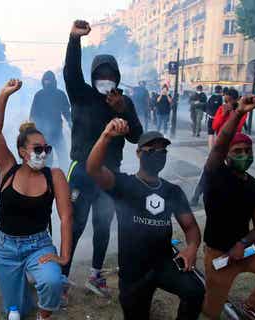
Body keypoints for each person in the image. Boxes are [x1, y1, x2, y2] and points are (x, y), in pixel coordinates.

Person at [87, 120, 205, 320]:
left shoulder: (172, 191)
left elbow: (191, 227)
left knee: (195, 291)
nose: (158, 156)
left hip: (164, 262)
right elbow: (93, 169)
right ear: (139, 153)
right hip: (133, 269)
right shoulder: (123, 184)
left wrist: (191, 248)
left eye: (163, 152)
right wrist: (106, 136)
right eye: (152, 150)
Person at [62, 19, 143, 297]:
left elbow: (137, 137)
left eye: (110, 74)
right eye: (100, 74)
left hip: (110, 174)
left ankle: (95, 275)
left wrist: (124, 111)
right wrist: (74, 40)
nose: (105, 79)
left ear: (117, 77)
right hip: (81, 171)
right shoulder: (81, 94)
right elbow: (71, 73)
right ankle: (62, 276)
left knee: (102, 224)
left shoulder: (123, 101)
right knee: (75, 224)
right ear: (93, 76)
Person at [0, 79, 72, 320]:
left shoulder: (54, 175)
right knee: (15, 312)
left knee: (52, 282)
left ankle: (44, 315)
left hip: (39, 245)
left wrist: (64, 256)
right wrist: (4, 95)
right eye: (37, 149)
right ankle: (20, 301)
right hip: (5, 248)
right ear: (23, 151)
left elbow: (66, 217)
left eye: (46, 149)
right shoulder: (8, 169)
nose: (43, 154)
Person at [201, 94, 255, 320]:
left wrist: (243, 243)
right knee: (211, 312)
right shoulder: (215, 174)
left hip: (247, 250)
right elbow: (219, 144)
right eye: (237, 151)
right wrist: (239, 112)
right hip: (220, 256)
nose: (243, 155)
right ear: (226, 156)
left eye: (247, 151)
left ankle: (248, 306)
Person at [29, 71, 72, 170]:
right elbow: (33, 115)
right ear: (42, 81)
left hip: (57, 133)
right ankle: (47, 179)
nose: (47, 82)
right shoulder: (38, 95)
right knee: (47, 159)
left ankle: (65, 177)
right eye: (45, 80)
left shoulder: (60, 94)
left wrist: (71, 124)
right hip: (43, 135)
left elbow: (67, 112)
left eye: (49, 80)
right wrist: (31, 131)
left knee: (63, 157)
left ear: (54, 81)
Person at [205, 85, 224, 150]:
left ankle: (211, 151)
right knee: (218, 135)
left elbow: (207, 107)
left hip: (211, 118)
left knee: (210, 134)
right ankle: (217, 150)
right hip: (219, 119)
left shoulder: (210, 97)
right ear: (221, 90)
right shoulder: (222, 98)